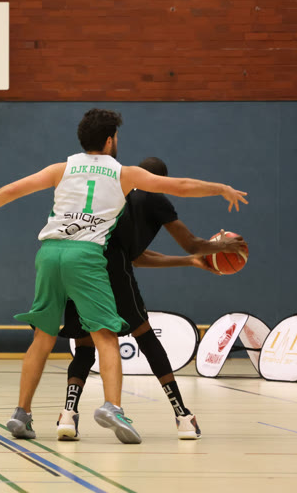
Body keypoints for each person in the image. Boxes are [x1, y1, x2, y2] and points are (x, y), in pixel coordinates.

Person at [0, 109, 247, 444]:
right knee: (105, 335)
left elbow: (12, 189)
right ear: (109, 141)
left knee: (43, 338)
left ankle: (22, 413)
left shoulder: (61, 168)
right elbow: (179, 186)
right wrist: (221, 188)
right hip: (86, 256)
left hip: (49, 253)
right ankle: (113, 407)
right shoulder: (124, 173)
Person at [56, 156, 248, 442]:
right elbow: (191, 243)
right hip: (112, 269)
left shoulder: (116, 195)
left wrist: (189, 261)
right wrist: (220, 246)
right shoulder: (155, 198)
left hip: (79, 266)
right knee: (146, 337)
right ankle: (182, 416)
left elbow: (138, 257)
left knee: (84, 345)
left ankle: (68, 415)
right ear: (160, 180)